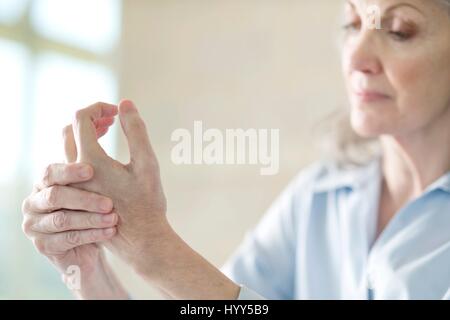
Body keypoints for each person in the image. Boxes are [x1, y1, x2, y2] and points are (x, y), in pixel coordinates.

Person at [21, 0, 450, 299]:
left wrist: (151, 245)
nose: (356, 56)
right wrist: (90, 274)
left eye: (399, 31)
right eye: (352, 23)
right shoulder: (318, 196)